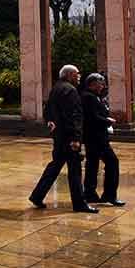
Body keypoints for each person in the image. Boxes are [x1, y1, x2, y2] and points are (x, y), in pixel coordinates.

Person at [29, 65, 97, 213]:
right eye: (77, 74)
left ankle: (37, 195)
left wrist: (51, 121)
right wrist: (76, 138)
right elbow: (74, 116)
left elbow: (48, 110)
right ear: (70, 74)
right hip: (69, 138)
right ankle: (79, 204)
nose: (79, 77)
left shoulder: (56, 88)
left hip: (59, 136)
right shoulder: (70, 90)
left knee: (54, 167)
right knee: (75, 171)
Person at [81, 73, 125, 207]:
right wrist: (107, 120)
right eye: (100, 84)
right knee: (112, 162)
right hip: (96, 137)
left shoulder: (93, 96)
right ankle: (110, 195)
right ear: (92, 84)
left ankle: (90, 194)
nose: (103, 86)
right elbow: (92, 117)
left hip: (93, 137)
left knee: (92, 164)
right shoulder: (88, 97)